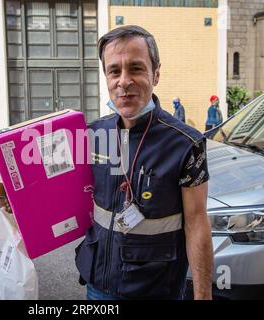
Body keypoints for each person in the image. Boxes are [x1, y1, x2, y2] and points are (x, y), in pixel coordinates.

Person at [75, 25, 213, 300]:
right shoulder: (92, 134)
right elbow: (58, 192)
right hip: (98, 285)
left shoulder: (186, 144)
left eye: (136, 68)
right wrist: (18, 206)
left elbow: (196, 223)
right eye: (114, 71)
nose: (124, 81)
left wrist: (202, 295)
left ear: (156, 73)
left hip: (155, 289)